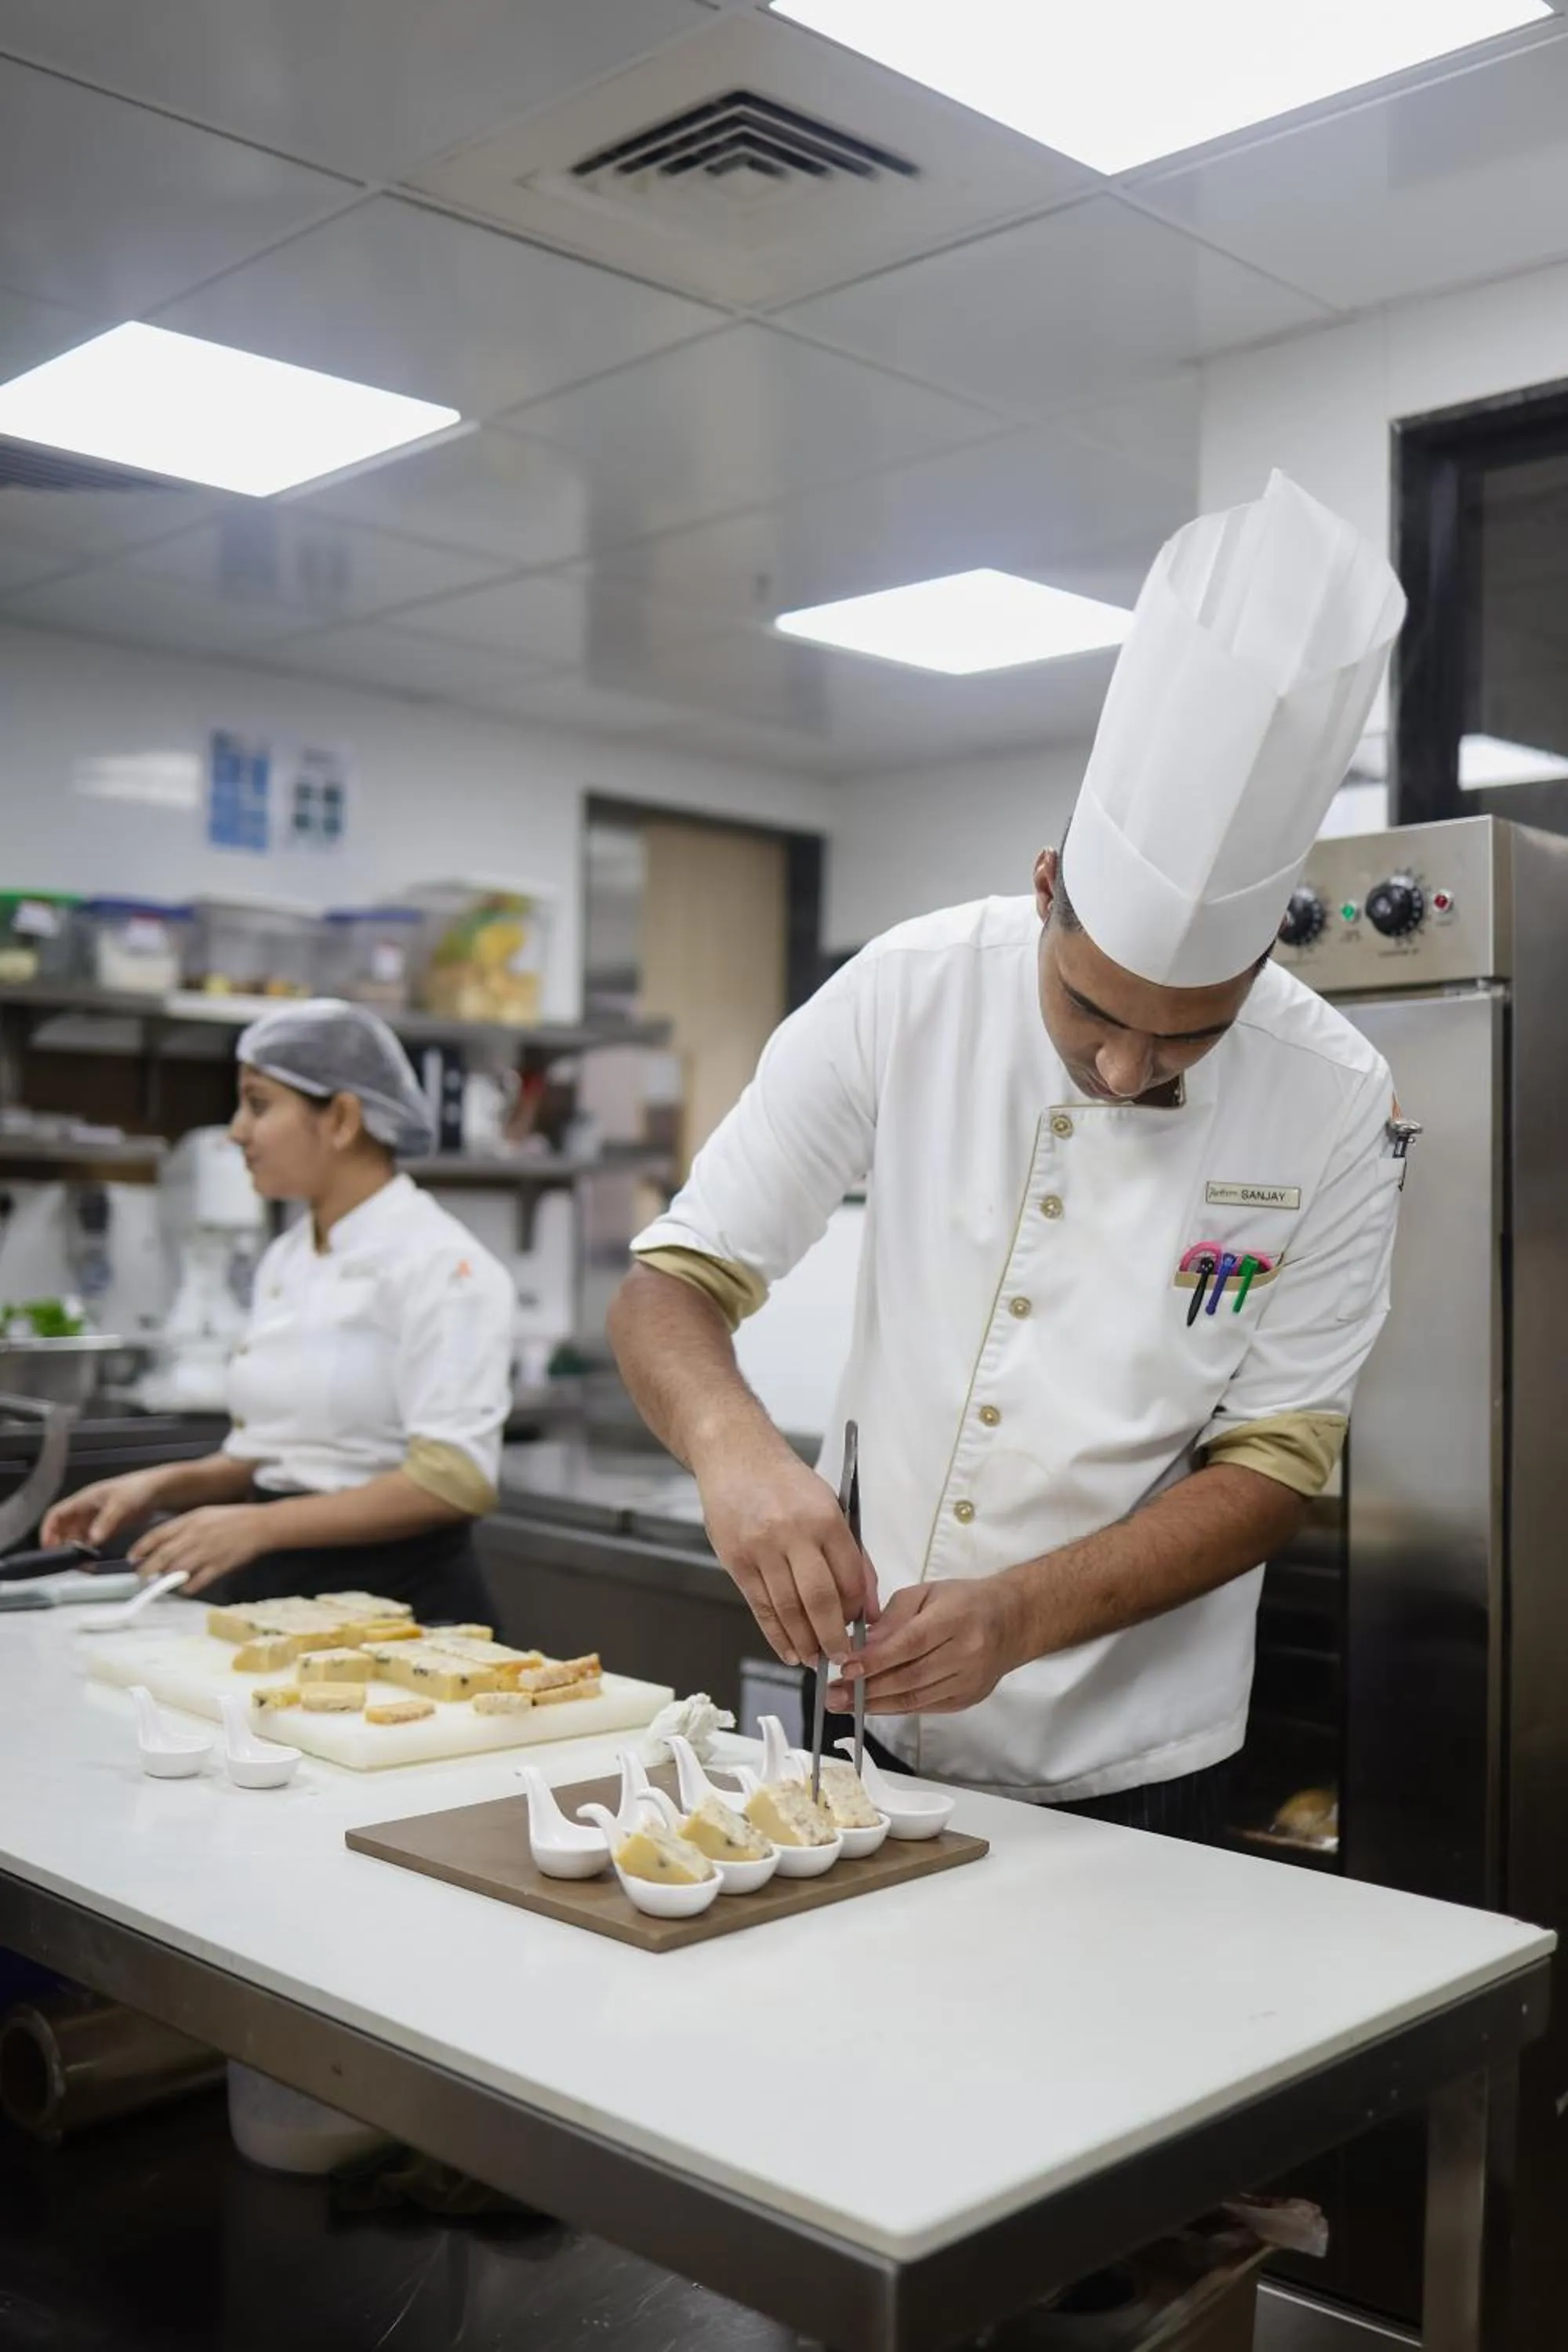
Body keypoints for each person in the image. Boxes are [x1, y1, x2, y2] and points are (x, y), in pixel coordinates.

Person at [609, 470, 1410, 1841]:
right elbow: (670, 1285)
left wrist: (1023, 1613)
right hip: (867, 1715)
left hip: (1142, 1748)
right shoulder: (908, 989)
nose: (1127, 1068)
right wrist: (734, 1448)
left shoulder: (1336, 1096)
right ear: (1047, 889)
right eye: (1092, 1012)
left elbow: (1276, 1461)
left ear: (1261, 963)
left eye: (1188, 1035)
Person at [43, 1000, 516, 1624]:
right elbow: (281, 1457)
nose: (236, 1131)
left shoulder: (444, 1265)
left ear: (342, 1119)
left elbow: (454, 1480)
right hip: (278, 1593)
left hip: (402, 1611)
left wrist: (259, 1526)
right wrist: (156, 1487)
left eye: (258, 1105)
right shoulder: (289, 1256)